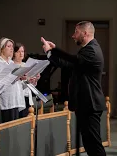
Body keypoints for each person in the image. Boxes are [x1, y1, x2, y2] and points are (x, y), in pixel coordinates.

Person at [41, 21, 106, 156]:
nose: (73, 36)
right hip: (86, 104)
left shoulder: (91, 50)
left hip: (90, 104)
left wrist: (53, 50)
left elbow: (73, 60)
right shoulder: (88, 49)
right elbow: (68, 64)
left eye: (76, 32)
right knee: (90, 145)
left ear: (85, 33)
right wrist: (51, 54)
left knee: (94, 146)